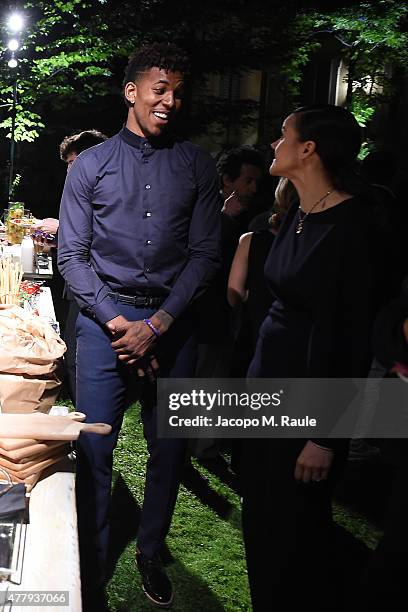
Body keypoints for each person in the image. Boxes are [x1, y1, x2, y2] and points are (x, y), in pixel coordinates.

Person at [57, 43, 220, 610]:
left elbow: (205, 254)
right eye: (160, 89)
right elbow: (72, 257)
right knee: (95, 446)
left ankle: (150, 549)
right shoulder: (93, 166)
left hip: (174, 323)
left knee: (168, 447)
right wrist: (119, 321)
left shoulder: (198, 165)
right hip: (106, 324)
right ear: (132, 92)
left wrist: (159, 323)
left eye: (178, 91)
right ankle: (93, 558)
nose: (170, 100)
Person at [241, 105, 390, 611]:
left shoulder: (353, 226)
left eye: (283, 135)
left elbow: (350, 339)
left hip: (309, 402)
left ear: (308, 149)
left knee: (295, 534)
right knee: (261, 518)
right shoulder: (298, 214)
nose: (274, 143)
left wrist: (326, 437)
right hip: (266, 386)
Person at [33, 129, 108, 403]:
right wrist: (58, 241)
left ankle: (89, 433)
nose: (70, 172)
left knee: (82, 363)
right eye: (68, 166)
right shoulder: (83, 189)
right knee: (74, 358)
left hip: (98, 290)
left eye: (73, 164)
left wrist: (61, 230)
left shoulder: (111, 190)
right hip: (77, 287)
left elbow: (105, 236)